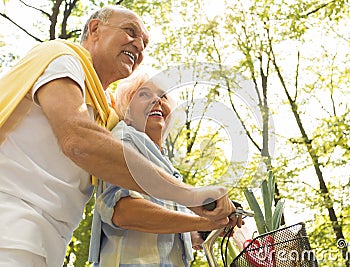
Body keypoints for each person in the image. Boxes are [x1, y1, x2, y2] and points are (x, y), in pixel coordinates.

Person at [0, 5, 236, 267]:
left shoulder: (105, 118)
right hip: (10, 224)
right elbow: (78, 140)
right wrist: (190, 195)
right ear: (95, 30)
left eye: (144, 43)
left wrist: (196, 223)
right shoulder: (61, 56)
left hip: (42, 243)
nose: (139, 46)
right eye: (130, 31)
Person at [89, 72, 239, 266]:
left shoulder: (164, 165)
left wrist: (209, 227)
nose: (156, 100)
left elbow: (165, 231)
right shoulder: (125, 140)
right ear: (126, 110)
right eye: (143, 95)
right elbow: (123, 212)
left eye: (163, 96)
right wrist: (204, 222)